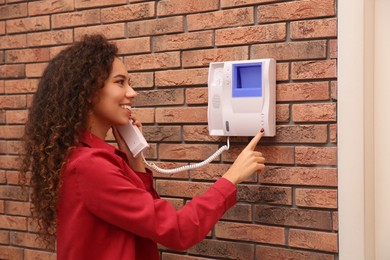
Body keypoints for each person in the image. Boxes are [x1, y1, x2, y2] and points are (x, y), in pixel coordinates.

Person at [20, 34, 266, 259]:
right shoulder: (90, 166)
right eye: (120, 82)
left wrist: (135, 162)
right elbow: (178, 231)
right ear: (89, 93)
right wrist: (231, 178)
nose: (132, 92)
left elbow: (142, 223)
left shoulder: (87, 158)